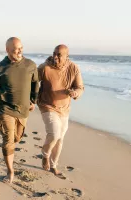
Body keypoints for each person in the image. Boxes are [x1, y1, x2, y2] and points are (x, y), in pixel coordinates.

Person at [0, 37, 39, 183]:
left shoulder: (30, 65)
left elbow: (35, 83)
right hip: (5, 108)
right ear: (7, 50)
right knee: (8, 141)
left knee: (16, 138)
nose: (19, 51)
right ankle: (10, 172)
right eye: (15, 49)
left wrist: (33, 100)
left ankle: (11, 147)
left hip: (24, 110)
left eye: (21, 48)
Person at [37, 44, 84, 176]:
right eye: (54, 53)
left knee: (60, 138)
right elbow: (32, 80)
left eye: (59, 54)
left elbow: (80, 87)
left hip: (64, 108)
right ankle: (45, 155)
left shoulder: (73, 68)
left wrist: (76, 93)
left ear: (67, 57)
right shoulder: (44, 67)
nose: (55, 56)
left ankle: (53, 165)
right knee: (54, 134)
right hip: (47, 105)